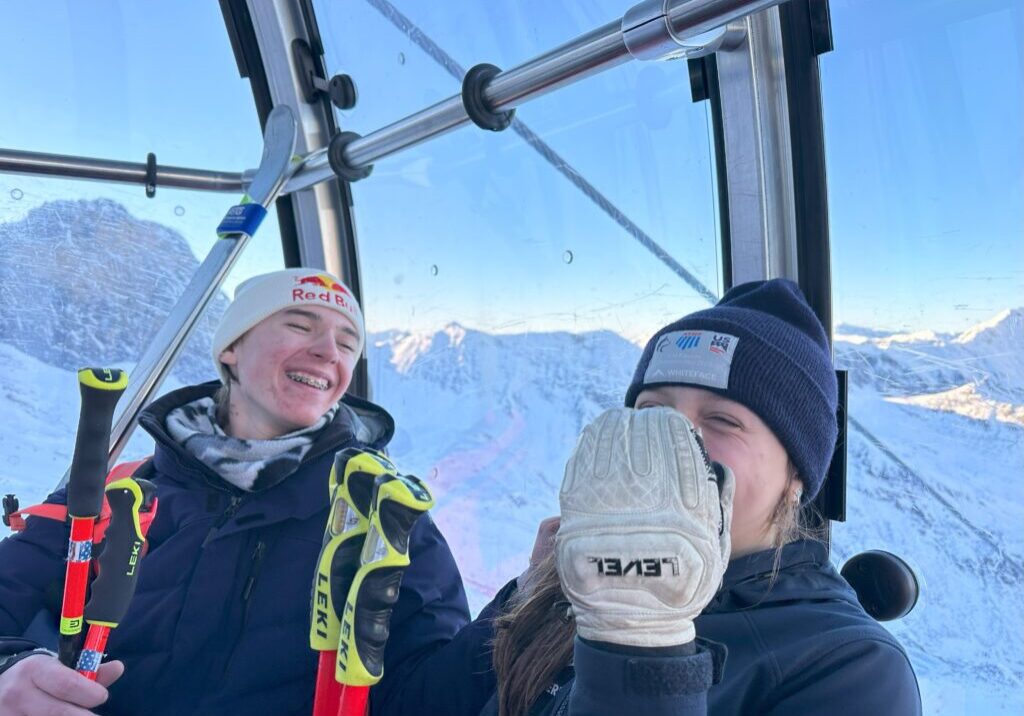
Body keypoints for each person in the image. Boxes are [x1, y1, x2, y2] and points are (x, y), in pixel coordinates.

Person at [0, 268, 504, 716]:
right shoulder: (118, 491)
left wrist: (524, 611)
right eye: (300, 325)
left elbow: (424, 694)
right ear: (231, 349)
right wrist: (12, 666)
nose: (329, 351)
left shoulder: (384, 517)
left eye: (348, 343)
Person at [486, 279, 922, 715]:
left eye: (722, 420)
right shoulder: (588, 578)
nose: (671, 441)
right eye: (652, 413)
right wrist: (528, 594)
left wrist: (640, 647)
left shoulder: (853, 668)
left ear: (797, 476)